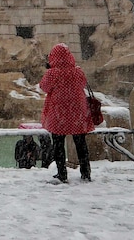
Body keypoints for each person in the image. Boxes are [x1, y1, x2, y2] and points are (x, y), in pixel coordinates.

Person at [39, 43, 95, 182]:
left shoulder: (52, 73)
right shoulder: (77, 71)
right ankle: (85, 172)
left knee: (58, 144)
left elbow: (44, 87)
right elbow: (82, 84)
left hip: (59, 111)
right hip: (78, 111)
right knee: (81, 143)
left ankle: (62, 173)